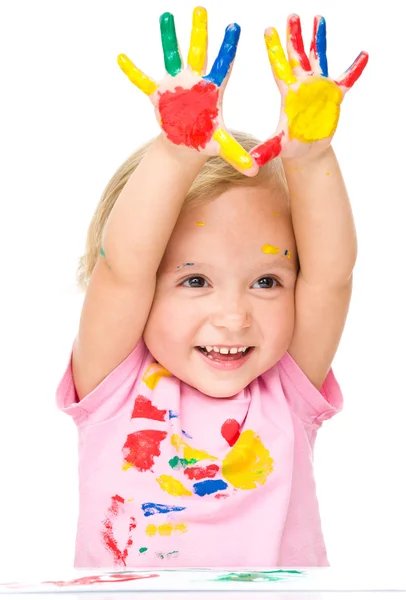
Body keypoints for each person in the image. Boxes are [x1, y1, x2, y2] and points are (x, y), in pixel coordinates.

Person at [56, 7, 368, 568]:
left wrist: (313, 156)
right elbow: (122, 267)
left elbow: (330, 276)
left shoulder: (287, 388)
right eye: (195, 279)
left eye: (266, 281)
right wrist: (177, 152)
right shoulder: (113, 384)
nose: (234, 316)